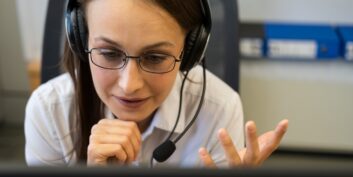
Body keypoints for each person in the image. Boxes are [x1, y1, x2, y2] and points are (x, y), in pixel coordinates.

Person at [24, 0, 288, 167]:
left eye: (154, 57)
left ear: (190, 50)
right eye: (109, 53)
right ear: (81, 40)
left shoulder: (219, 109)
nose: (129, 85)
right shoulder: (49, 112)